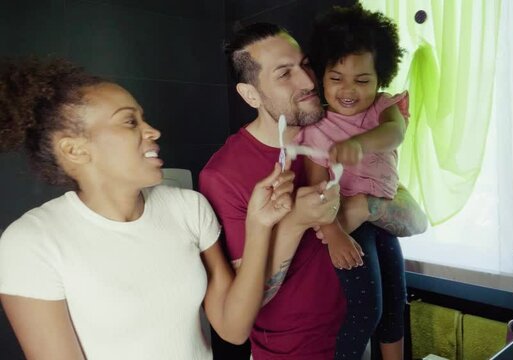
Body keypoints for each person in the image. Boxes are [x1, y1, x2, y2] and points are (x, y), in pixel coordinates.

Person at [0, 58, 295, 359]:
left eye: (143, 118)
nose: (152, 131)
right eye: (129, 121)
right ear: (75, 149)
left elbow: (233, 329)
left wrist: (259, 226)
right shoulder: (31, 242)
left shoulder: (188, 208)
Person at [200, 22, 426, 360]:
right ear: (251, 95)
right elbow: (237, 321)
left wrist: (365, 206)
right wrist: (295, 223)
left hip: (359, 342)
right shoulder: (223, 175)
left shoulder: (341, 132)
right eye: (284, 74)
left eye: (306, 64)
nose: (308, 82)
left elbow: (416, 221)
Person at [296, 4, 424, 360]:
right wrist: (334, 233)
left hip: (381, 215)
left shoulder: (384, 108)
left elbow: (394, 134)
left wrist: (359, 143)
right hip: (349, 224)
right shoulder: (316, 132)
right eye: (336, 78)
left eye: (362, 80)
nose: (348, 90)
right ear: (321, 76)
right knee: (366, 311)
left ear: (380, 78)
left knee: (397, 304)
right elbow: (317, 191)